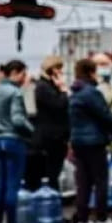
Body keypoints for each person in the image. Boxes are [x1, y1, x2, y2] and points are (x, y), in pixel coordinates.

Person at [69, 57, 112, 223]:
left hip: (78, 142)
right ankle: (102, 219)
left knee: (83, 182)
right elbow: (106, 116)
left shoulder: (75, 92)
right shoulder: (91, 93)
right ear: (91, 72)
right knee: (100, 181)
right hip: (94, 142)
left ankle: (83, 220)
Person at [0, 59, 34, 223]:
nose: (24, 78)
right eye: (23, 74)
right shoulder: (15, 93)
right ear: (14, 72)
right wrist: (31, 131)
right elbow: (18, 120)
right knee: (13, 185)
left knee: (1, 184)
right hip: (14, 140)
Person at [34, 55, 70, 191]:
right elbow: (59, 104)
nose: (61, 72)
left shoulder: (48, 86)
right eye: (59, 69)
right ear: (52, 69)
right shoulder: (43, 87)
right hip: (52, 136)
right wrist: (63, 90)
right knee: (53, 171)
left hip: (56, 135)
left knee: (55, 169)